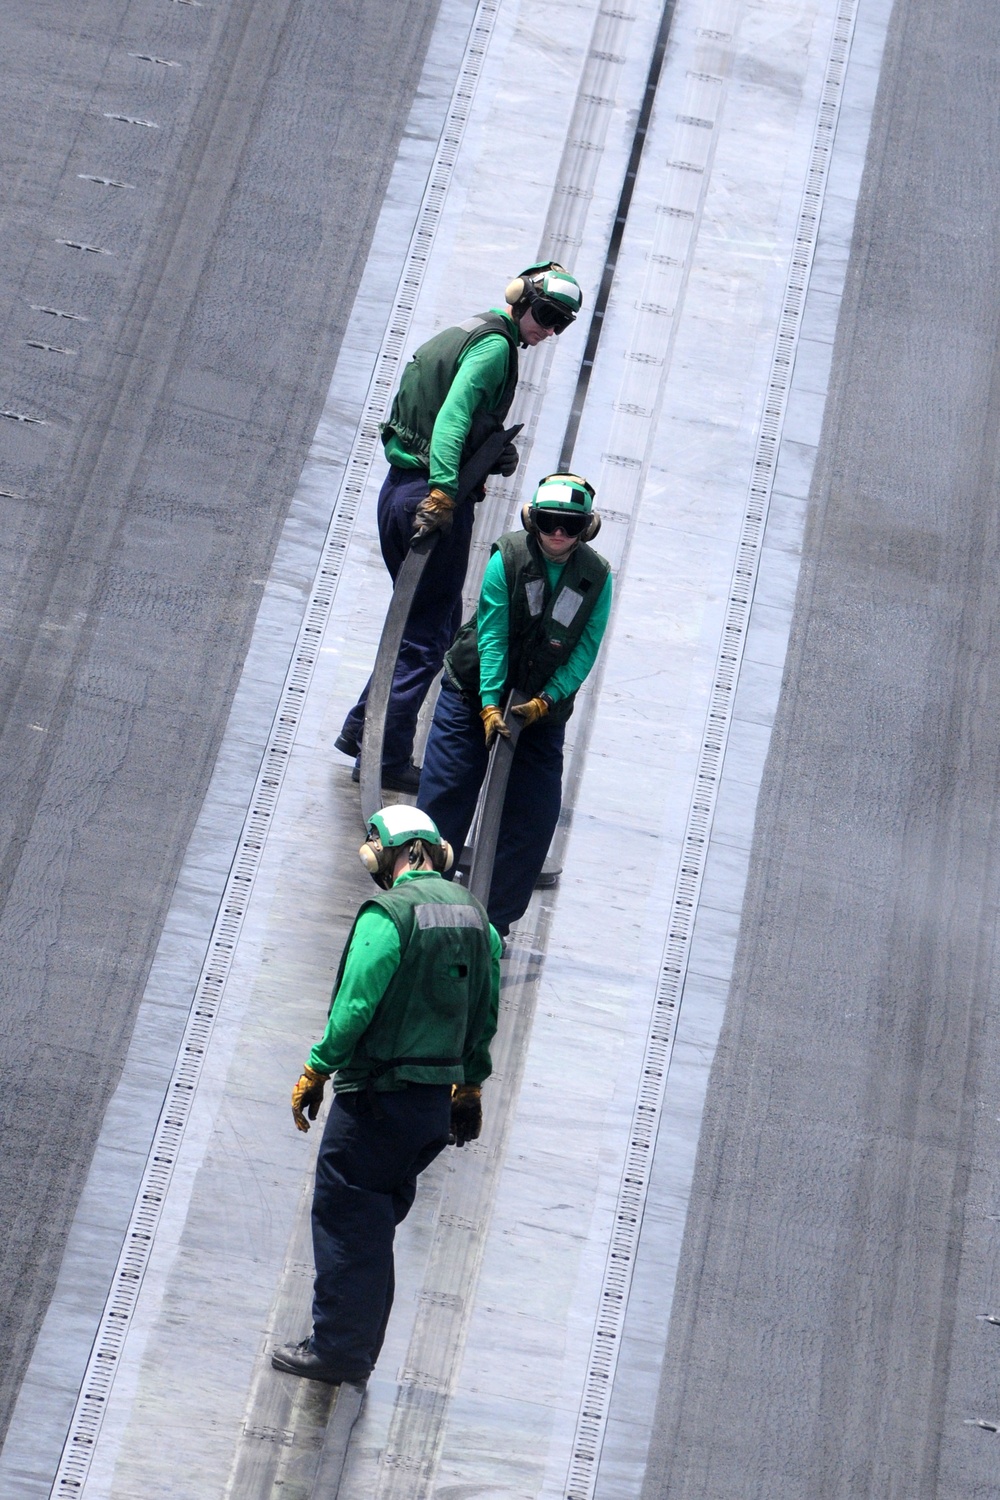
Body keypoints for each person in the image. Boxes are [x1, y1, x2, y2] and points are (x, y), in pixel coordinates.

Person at [271, 805, 501, 1386]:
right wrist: (469, 1086)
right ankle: (356, 1344)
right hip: (428, 1110)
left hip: (376, 1098)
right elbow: (486, 1010)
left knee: (348, 1215)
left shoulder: (388, 916)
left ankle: (340, 1351)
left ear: (385, 851)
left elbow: (354, 1005)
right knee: (375, 1221)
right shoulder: (477, 917)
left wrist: (317, 1068)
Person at [335, 263, 584, 793]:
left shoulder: (465, 333)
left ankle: (366, 731)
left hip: (401, 490)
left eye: (561, 324)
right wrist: (446, 489)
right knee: (426, 640)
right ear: (519, 300)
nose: (549, 330)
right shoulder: (495, 348)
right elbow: (451, 419)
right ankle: (381, 755)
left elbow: (448, 419)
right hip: (429, 498)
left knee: (426, 628)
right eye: (545, 316)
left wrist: (489, 449)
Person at [417, 473, 612, 938]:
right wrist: (488, 704)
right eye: (549, 523)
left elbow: (586, 647)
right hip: (472, 695)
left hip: (540, 711)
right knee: (445, 798)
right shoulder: (507, 559)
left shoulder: (596, 577)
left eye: (570, 525)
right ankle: (423, 908)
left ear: (587, 527)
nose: (559, 534)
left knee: (534, 814)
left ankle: (491, 925)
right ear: (533, 520)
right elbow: (492, 635)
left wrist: (548, 700)